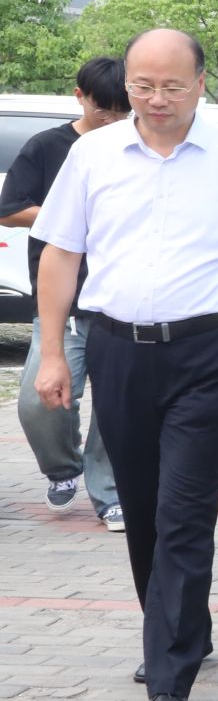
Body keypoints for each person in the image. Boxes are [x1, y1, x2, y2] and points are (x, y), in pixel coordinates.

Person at [32, 29, 218, 701]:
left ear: (201, 83)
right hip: (116, 348)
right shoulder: (93, 155)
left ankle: (170, 675)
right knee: (142, 508)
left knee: (185, 510)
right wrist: (52, 353)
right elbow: (60, 255)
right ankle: (180, 625)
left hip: (207, 350)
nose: (157, 98)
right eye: (143, 86)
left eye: (172, 86)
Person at [1, 58, 129, 529]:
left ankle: (109, 491)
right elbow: (9, 209)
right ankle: (62, 468)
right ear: (79, 97)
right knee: (40, 401)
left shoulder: (138, 148)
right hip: (63, 303)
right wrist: (71, 214)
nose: (112, 120)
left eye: (121, 111)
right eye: (102, 110)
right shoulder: (47, 146)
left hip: (120, 301)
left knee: (117, 405)